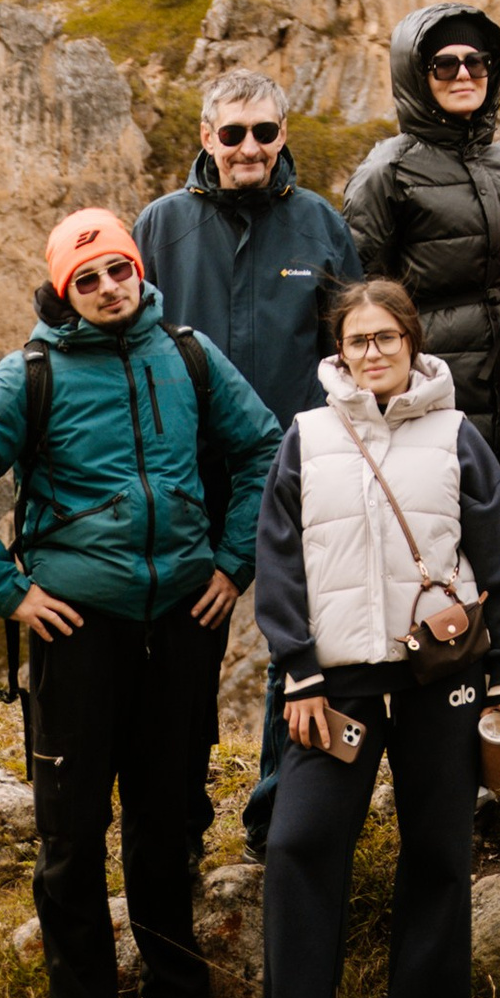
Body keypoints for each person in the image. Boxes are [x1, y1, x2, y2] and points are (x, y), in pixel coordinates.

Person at [0, 206, 280, 998]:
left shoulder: (188, 355)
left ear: (137, 269)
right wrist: (11, 593)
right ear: (62, 290)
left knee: (170, 815)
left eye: (118, 270)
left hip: (186, 622)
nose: (109, 289)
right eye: (87, 279)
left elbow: (265, 446)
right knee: (72, 830)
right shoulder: (30, 374)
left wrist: (234, 562)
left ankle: (170, 994)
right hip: (77, 630)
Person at [248, 277, 500, 998]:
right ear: (339, 351)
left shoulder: (457, 437)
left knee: (440, 854)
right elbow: (278, 560)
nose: (372, 352)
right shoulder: (305, 437)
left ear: (412, 342)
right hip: (334, 682)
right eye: (357, 340)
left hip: (439, 677)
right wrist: (297, 668)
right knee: (301, 848)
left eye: (386, 337)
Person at [135, 66, 357, 856]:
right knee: (186, 646)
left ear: (283, 134)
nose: (249, 148)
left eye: (264, 132)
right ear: (207, 138)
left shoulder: (320, 224)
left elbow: (353, 342)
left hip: (300, 465)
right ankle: (179, 823)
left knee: (293, 638)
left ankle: (273, 819)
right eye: (232, 134)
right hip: (188, 474)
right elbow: (129, 343)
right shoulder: (160, 227)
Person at [342, 6, 500, 457]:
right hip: (431, 403)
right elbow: (358, 301)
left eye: (476, 62)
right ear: (416, 75)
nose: (463, 74)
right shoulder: (386, 172)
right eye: (444, 64)